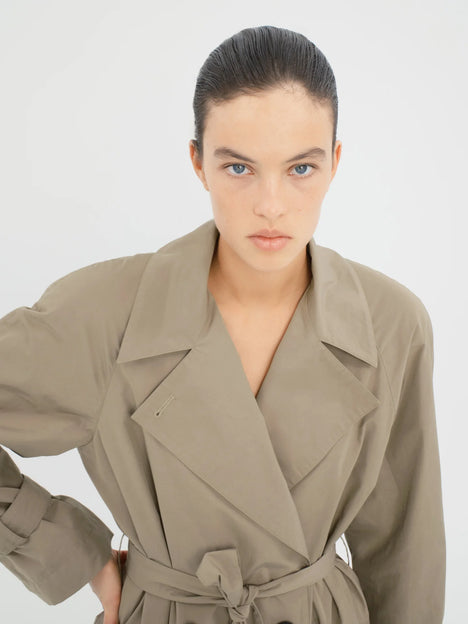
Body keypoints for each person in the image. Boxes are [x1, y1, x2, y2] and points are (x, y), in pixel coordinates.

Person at [0, 25, 445, 624]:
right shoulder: (105, 314)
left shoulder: (390, 322)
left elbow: (404, 549)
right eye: (239, 167)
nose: (270, 204)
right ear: (198, 163)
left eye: (300, 168)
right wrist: (71, 550)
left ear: (335, 163)